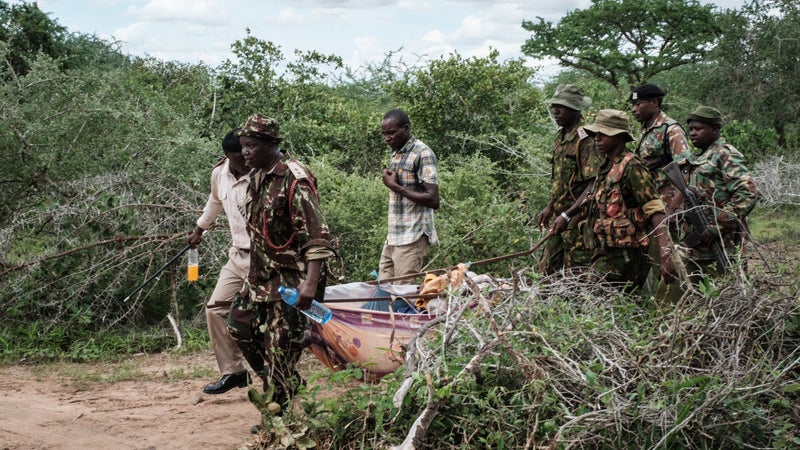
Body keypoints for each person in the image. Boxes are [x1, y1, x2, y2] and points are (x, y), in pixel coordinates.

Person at [226, 114, 335, 415]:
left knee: (280, 350)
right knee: (239, 326)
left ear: (271, 144)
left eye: (251, 146)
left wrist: (310, 284)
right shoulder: (258, 175)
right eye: (243, 146)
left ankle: (277, 417)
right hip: (260, 276)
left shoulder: (295, 179)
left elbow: (317, 236)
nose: (245, 152)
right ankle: (285, 383)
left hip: (290, 280)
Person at [552, 109, 677, 290]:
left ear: (619, 137)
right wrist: (566, 217)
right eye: (595, 134)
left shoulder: (632, 167)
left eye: (603, 135)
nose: (597, 139)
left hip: (627, 256)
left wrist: (666, 254)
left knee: (601, 301)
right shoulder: (606, 166)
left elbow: (655, 210)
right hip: (605, 252)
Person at [187, 129, 250, 395]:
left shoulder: (262, 174)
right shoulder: (219, 174)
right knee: (215, 309)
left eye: (249, 151)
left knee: (258, 317)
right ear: (228, 156)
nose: (246, 158)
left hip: (266, 258)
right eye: (240, 155)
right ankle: (233, 372)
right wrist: (199, 230)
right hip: (238, 255)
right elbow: (215, 201)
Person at [676, 106, 758, 277]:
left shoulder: (726, 155)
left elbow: (746, 194)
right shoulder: (698, 157)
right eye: (690, 129)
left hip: (723, 243)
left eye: (698, 129)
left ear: (714, 129)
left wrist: (717, 227)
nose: (692, 133)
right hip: (697, 246)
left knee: (727, 292)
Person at [629, 83, 691, 291]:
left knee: (669, 262)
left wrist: (674, 208)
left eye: (638, 104)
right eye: (632, 105)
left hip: (666, 207)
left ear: (654, 103)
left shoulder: (671, 130)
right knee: (652, 258)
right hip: (650, 205)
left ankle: (680, 306)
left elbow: (686, 171)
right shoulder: (646, 129)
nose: (633, 109)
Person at [536, 84, 601, 272]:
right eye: (554, 106)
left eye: (561, 107)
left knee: (577, 277)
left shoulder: (586, 139)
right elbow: (561, 180)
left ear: (575, 109)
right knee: (545, 272)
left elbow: (594, 183)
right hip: (560, 217)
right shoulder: (561, 136)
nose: (555, 111)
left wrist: (567, 215)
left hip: (579, 220)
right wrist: (551, 206)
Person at [378, 108, 439, 284]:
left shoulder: (422, 153)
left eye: (391, 133)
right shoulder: (396, 152)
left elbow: (433, 200)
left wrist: (396, 187)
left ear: (406, 129)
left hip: (412, 236)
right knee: (383, 289)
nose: (387, 138)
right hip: (394, 235)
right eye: (384, 134)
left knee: (402, 295)